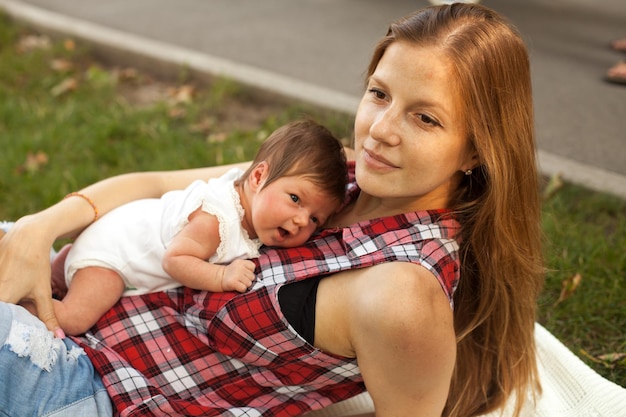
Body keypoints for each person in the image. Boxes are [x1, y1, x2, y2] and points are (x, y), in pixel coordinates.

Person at [0, 4, 543, 417]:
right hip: (85, 299)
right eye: (380, 95)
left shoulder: (404, 292)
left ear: (477, 150)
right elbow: (156, 183)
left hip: (100, 390)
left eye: (425, 119)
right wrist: (36, 229)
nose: (380, 131)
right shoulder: (340, 175)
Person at [41, 119, 348, 336]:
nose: (300, 221)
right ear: (257, 178)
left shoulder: (245, 204)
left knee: (69, 275)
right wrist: (221, 275)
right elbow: (174, 260)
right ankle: (24, 307)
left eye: (315, 219)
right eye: (295, 199)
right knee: (74, 319)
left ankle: (59, 269)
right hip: (110, 256)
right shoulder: (218, 220)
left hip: (112, 231)